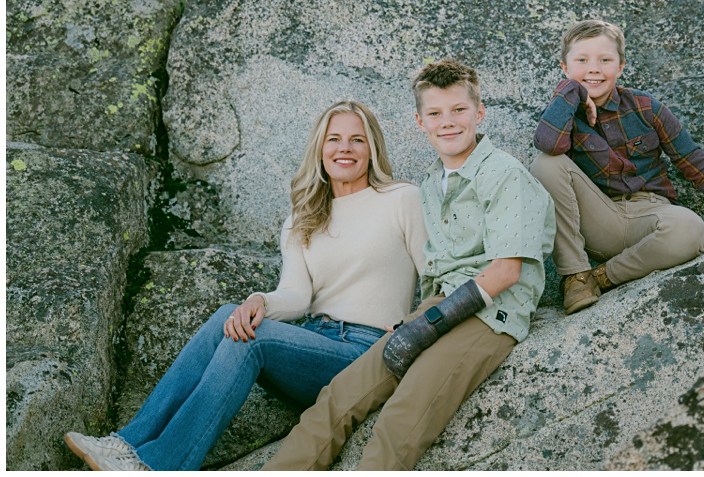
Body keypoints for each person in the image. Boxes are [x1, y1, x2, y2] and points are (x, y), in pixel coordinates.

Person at [64, 101, 427, 471]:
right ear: (320, 149)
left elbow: (436, 273)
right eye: (334, 139)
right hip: (315, 344)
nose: (344, 148)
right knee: (229, 317)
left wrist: (414, 324)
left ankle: (160, 465)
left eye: (357, 140)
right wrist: (259, 301)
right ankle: (126, 443)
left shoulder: (402, 199)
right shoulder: (303, 217)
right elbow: (297, 296)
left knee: (252, 340)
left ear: (373, 149)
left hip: (367, 352)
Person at [262, 59, 555, 471]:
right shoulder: (432, 185)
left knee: (400, 420)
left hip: (490, 313)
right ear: (420, 122)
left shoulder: (505, 174)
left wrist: (426, 325)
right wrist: (416, 320)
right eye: (435, 113)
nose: (447, 122)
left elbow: (507, 273)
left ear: (480, 113)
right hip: (438, 307)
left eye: (458, 110)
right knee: (338, 398)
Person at [531, 19, 704, 314]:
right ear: (565, 68)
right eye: (581, 60)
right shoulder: (563, 112)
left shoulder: (645, 107)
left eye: (605, 60)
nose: (593, 68)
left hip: (651, 217)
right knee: (546, 164)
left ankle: (600, 277)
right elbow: (548, 145)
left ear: (621, 66)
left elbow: (691, 159)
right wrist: (569, 92)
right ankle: (575, 275)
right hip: (599, 219)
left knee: (690, 229)